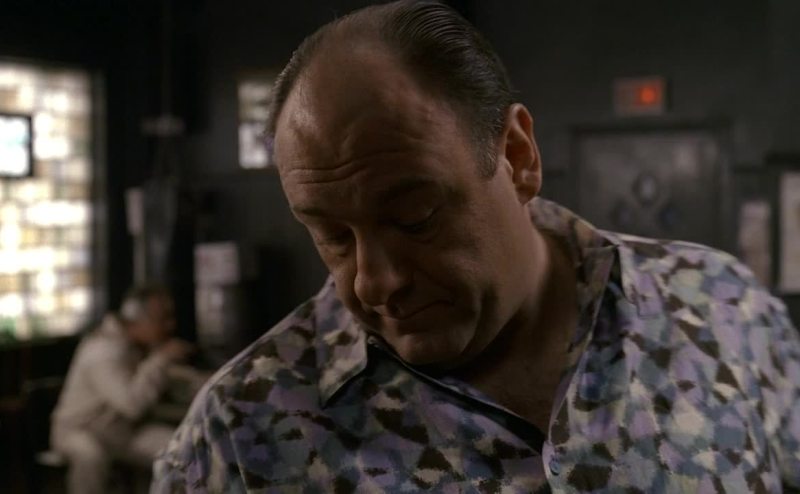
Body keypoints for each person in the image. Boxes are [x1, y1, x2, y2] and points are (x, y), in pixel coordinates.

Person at [152, 1, 800, 492]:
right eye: (332, 236)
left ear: (517, 156)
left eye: (416, 216)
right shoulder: (240, 436)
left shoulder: (722, 312)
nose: (375, 282)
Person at [52, 283, 193, 494]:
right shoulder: (103, 352)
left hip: (122, 431)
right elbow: (132, 405)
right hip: (80, 430)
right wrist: (161, 359)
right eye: (163, 319)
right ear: (138, 321)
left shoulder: (135, 344)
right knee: (90, 455)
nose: (170, 326)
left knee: (182, 447)